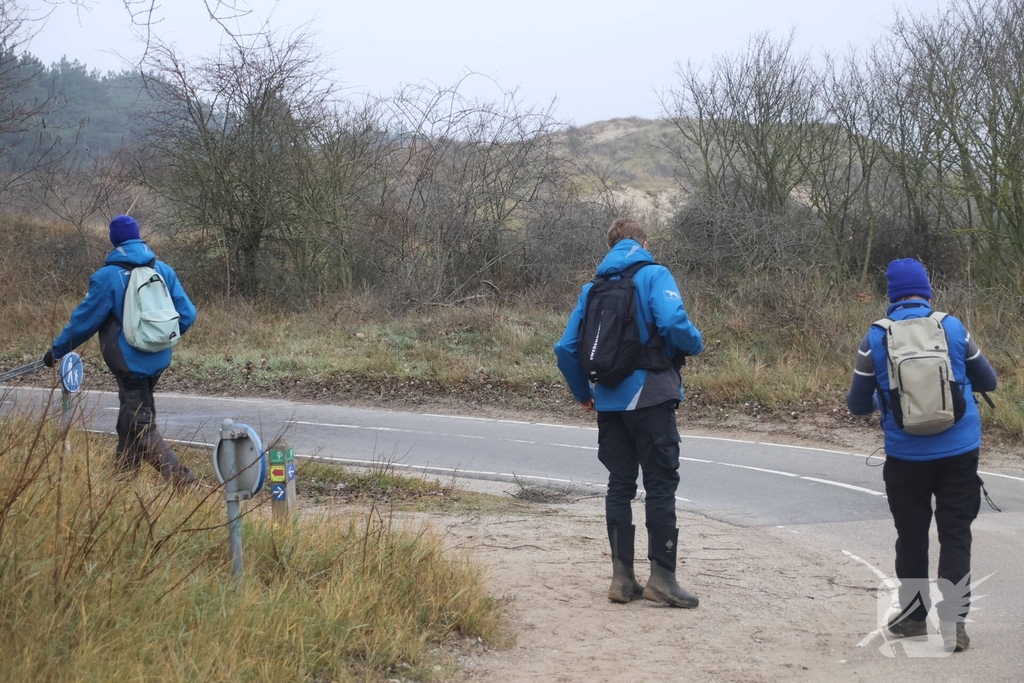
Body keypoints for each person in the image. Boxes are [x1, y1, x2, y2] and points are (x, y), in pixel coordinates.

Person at [846, 257, 997, 653]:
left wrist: (887, 399)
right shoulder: (952, 327)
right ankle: (954, 626)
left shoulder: (875, 337)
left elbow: (857, 405)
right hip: (959, 450)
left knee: (911, 537)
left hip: (906, 456)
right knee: (955, 535)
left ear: (890, 295)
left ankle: (913, 617)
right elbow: (990, 381)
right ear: (927, 291)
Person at [554, 217, 704, 607]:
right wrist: (695, 342)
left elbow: (566, 348)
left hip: (608, 399)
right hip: (651, 394)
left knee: (620, 485)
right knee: (659, 483)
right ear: (642, 240)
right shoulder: (655, 274)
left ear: (611, 246)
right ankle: (662, 579)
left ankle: (622, 580)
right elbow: (672, 321)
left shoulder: (593, 288)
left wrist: (582, 393)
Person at [44, 215, 198, 486]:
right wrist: (161, 340)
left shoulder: (106, 278)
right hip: (158, 360)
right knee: (129, 422)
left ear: (114, 241)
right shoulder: (163, 270)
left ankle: (184, 482)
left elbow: (84, 322)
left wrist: (57, 350)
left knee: (140, 426)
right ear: (139, 236)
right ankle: (123, 484)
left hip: (130, 365)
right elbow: (187, 314)